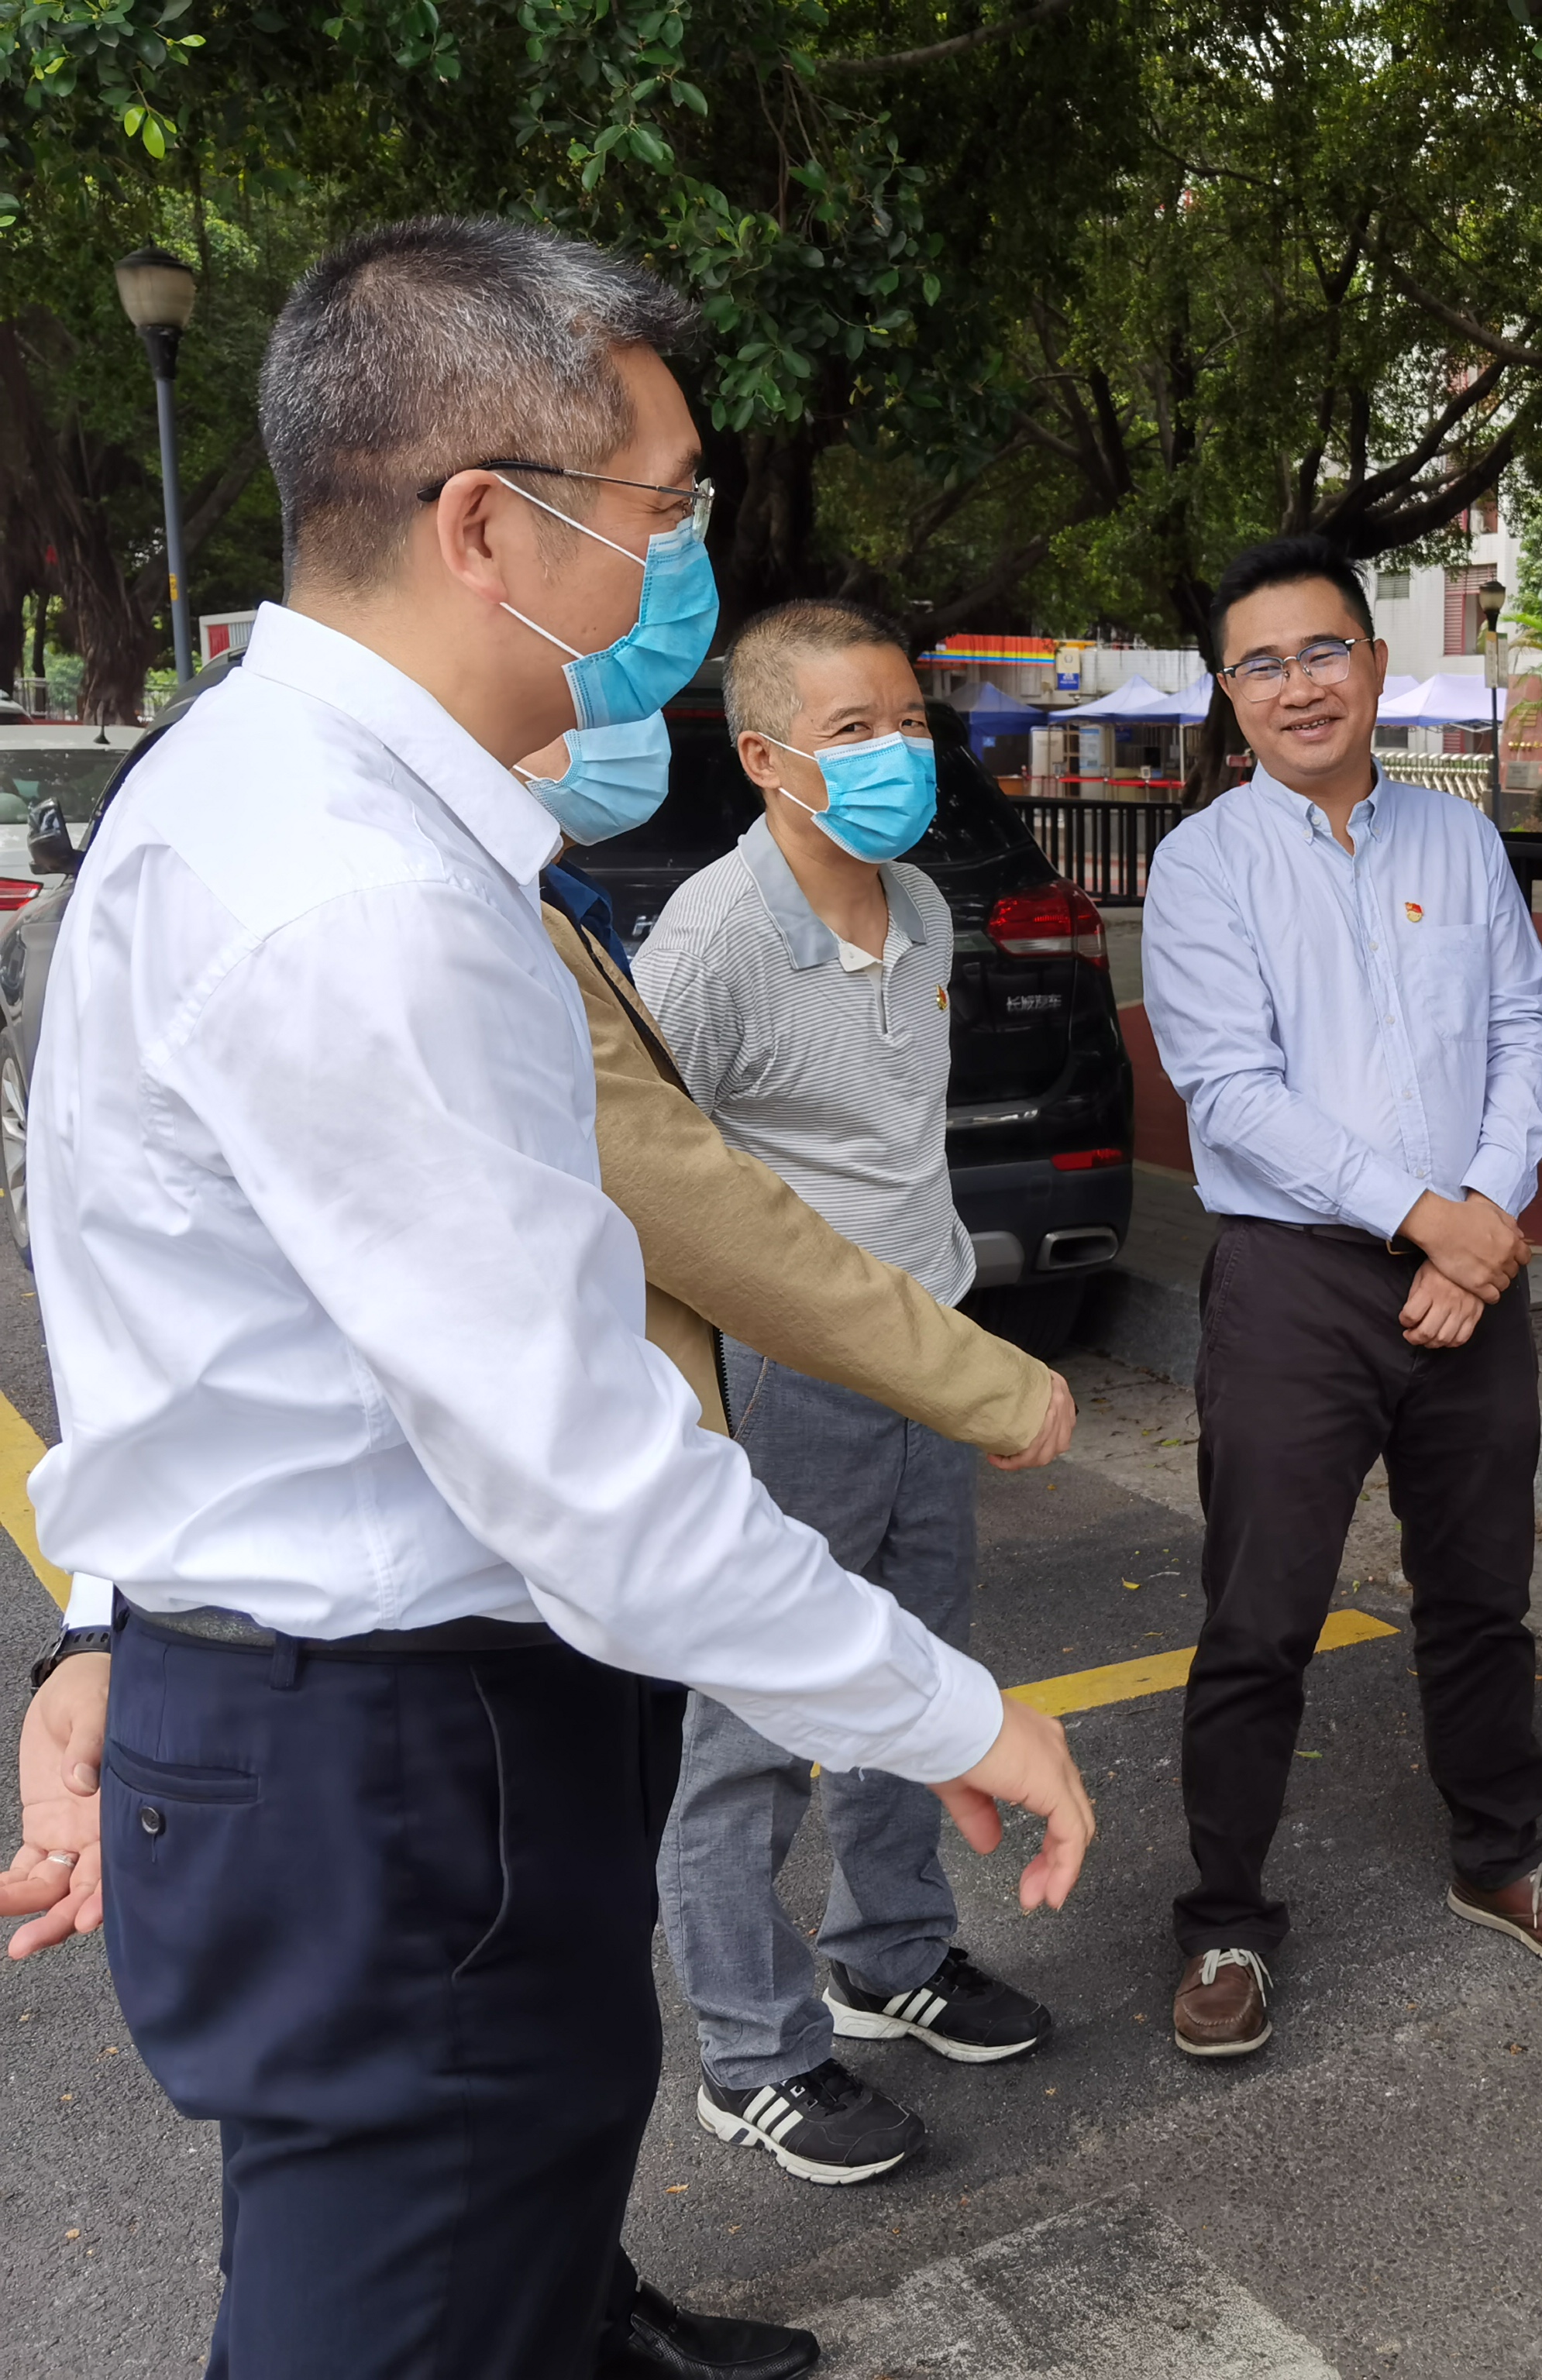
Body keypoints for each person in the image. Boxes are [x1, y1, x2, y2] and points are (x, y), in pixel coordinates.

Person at [0, 217, 1093, 2380]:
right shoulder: (361, 895)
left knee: (465, 2258)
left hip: (345, 1723)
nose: (684, 566)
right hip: (400, 1761)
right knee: (407, 2303)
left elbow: (193, 1309)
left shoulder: (267, 795)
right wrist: (952, 1711)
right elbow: (583, 1471)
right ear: (486, 523)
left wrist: (115, 1624)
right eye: (664, 508)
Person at [1141, 533, 1542, 2063]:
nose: (1299, 685)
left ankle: (1501, 1852)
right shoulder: (1202, 864)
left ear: (1372, 663)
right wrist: (1434, 1224)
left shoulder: (1457, 840)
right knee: (1260, 1610)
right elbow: (1231, 1090)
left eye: (1323, 650)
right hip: (1294, 1281)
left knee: (1481, 1591)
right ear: (1231, 694)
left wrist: (1484, 1213)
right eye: (1262, 663)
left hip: (1470, 1259)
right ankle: (1224, 1917)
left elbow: (1523, 1033)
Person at [633, 600, 1059, 2184]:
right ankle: (750, 2051)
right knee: (755, 1710)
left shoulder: (924, 908)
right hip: (786, 1377)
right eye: (853, 731)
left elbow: (895, 1154)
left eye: (910, 721)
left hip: (924, 1353)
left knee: (915, 1670)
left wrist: (961, 1351)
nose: (899, 754)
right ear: (765, 759)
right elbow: (639, 1181)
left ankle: (888, 1954)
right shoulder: (710, 945)